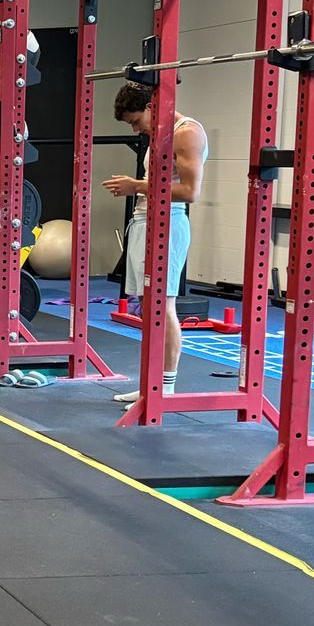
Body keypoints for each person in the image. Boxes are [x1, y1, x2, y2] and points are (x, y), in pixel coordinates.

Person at [105, 82, 207, 403]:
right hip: (144, 221)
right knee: (148, 307)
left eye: (136, 121)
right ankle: (152, 385)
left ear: (151, 106)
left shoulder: (186, 133)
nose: (136, 129)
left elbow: (191, 192)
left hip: (169, 223)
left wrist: (137, 185)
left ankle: (167, 387)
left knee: (163, 307)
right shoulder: (159, 135)